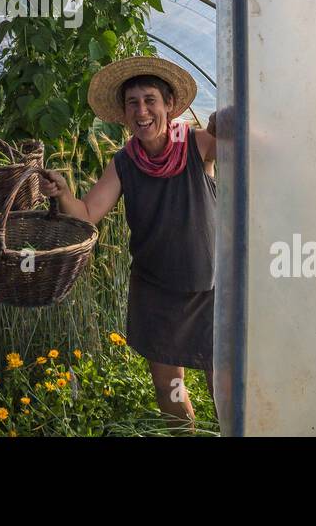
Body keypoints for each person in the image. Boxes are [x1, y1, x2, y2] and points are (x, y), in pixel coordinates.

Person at [42, 56, 217, 425]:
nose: (142, 111)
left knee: (224, 383)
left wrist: (226, 124)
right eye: (133, 103)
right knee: (168, 388)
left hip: (208, 288)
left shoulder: (197, 146)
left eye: (150, 100)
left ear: (169, 104)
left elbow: (247, 140)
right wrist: (62, 192)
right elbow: (88, 213)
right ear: (123, 113)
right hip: (155, 288)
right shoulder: (124, 162)